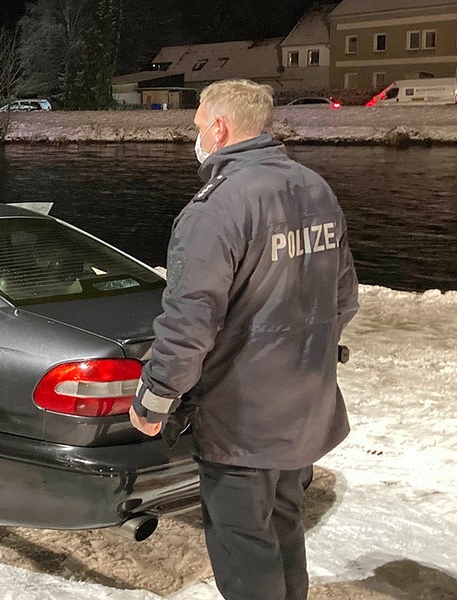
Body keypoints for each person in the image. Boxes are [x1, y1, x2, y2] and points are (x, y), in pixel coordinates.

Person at [128, 79, 359, 600]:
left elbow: (189, 322)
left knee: (244, 550)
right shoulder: (314, 188)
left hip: (241, 420)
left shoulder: (215, 208)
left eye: (197, 126)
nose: (195, 138)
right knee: (285, 529)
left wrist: (155, 397)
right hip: (303, 406)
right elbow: (343, 298)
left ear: (219, 127)